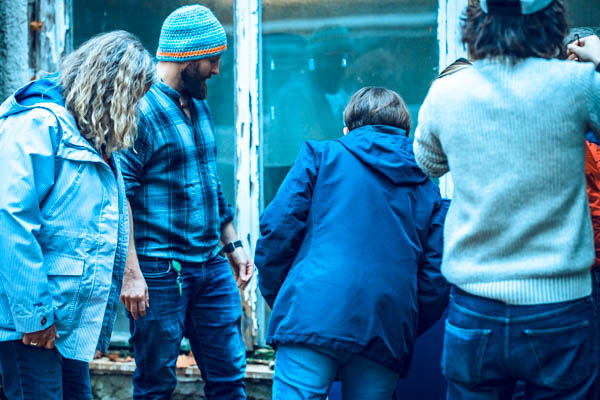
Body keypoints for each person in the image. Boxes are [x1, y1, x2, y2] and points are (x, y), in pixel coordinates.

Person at [413, 0, 600, 398]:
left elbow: (428, 164)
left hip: (475, 305)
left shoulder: (447, 93)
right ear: (551, 21)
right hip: (560, 306)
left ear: (477, 24)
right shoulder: (577, 84)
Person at [255, 87, 449, 400]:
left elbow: (276, 231)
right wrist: (404, 321)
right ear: (406, 132)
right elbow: (435, 278)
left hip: (311, 309)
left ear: (347, 130)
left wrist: (287, 299)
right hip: (386, 326)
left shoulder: (322, 156)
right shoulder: (427, 185)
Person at [0, 31, 155, 399]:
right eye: (133, 99)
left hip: (62, 326)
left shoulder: (90, 136)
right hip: (30, 326)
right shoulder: (38, 124)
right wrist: (35, 316)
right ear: (112, 90)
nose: (135, 111)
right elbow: (10, 221)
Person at [119, 5, 253, 399]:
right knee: (155, 384)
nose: (217, 70)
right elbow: (119, 198)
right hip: (159, 270)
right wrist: (131, 274)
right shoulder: (140, 111)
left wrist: (233, 243)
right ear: (188, 58)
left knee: (230, 378)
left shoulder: (199, 106)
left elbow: (209, 180)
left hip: (210, 264)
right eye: (212, 60)